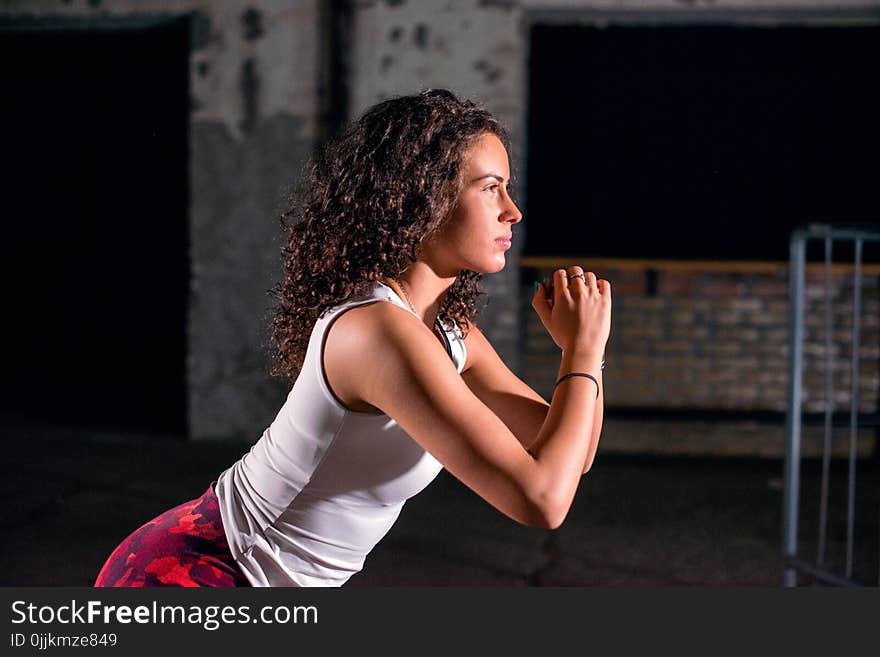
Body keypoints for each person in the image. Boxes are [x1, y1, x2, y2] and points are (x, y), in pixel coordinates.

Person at [94, 88, 611, 587]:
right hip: (200, 572)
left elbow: (571, 453)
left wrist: (584, 349)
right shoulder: (375, 330)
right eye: (489, 187)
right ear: (424, 198)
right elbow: (541, 500)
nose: (512, 211)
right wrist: (582, 350)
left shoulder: (450, 333)